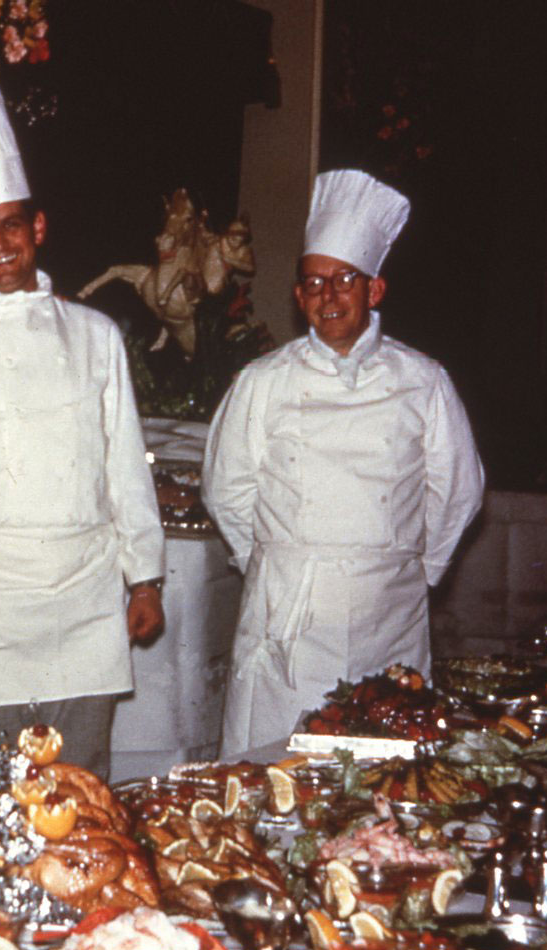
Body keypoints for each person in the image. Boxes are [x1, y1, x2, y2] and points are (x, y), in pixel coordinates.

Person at [0, 76, 166, 794]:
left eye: (11, 225)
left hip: (84, 596)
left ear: (37, 228)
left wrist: (146, 574)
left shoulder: (96, 336)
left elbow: (123, 464)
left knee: (81, 793)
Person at [202, 169, 485, 755]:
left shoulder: (423, 381)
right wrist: (273, 562)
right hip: (289, 617)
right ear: (299, 295)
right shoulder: (263, 382)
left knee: (383, 777)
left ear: (375, 290)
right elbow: (226, 490)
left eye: (344, 280)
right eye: (313, 283)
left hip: (392, 616)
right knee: (275, 772)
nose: (328, 296)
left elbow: (459, 491)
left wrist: (414, 567)